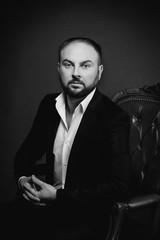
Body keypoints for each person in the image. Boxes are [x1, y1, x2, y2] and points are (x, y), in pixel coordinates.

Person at [2, 37, 130, 240]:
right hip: (45, 207)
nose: (76, 73)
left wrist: (58, 197)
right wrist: (23, 180)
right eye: (68, 64)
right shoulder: (48, 105)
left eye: (86, 65)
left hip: (88, 216)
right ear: (59, 68)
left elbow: (121, 187)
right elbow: (25, 154)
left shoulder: (114, 118)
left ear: (99, 71)